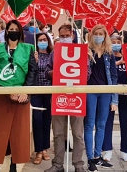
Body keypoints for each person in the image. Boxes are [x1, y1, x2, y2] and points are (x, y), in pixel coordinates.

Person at [0, 19, 37, 172]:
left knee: (19, 132)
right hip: (3, 94)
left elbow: (32, 72)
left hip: (21, 95)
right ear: (6, 31)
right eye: (11, 28)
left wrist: (25, 91)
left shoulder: (28, 49)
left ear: (20, 32)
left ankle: (14, 165)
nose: (13, 31)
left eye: (16, 28)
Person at [44, 24, 88, 172]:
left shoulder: (82, 52)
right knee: (58, 133)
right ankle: (57, 164)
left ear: (73, 36)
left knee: (77, 133)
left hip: (77, 97)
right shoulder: (55, 53)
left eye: (66, 36)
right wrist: (56, 72)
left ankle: (79, 164)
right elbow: (47, 71)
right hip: (58, 96)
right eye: (61, 36)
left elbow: (87, 74)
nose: (64, 39)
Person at [84, 24, 118, 172]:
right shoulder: (86, 51)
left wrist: (114, 98)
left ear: (105, 36)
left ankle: (98, 156)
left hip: (105, 91)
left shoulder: (109, 53)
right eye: (96, 33)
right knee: (89, 125)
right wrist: (87, 58)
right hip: (90, 91)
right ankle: (90, 157)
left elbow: (114, 75)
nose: (98, 36)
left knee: (102, 124)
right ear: (92, 35)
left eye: (101, 33)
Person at [101, 33, 127, 163]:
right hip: (111, 93)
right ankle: (107, 149)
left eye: (118, 41)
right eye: (113, 41)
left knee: (126, 122)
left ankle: (125, 151)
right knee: (107, 122)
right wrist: (118, 62)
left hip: (126, 94)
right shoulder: (107, 57)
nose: (116, 44)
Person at [31, 33, 53, 165]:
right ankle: (38, 150)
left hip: (49, 90)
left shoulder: (52, 55)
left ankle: (45, 149)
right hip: (36, 91)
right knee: (37, 119)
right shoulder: (33, 55)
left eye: (45, 40)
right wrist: (34, 62)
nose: (43, 42)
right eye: (40, 40)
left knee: (46, 120)